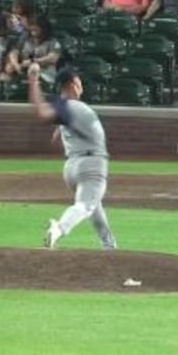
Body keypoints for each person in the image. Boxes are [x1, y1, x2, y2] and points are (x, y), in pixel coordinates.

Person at [27, 64, 118, 250]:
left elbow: (56, 136)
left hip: (72, 166)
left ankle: (108, 244)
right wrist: (34, 79)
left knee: (93, 204)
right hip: (91, 164)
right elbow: (41, 114)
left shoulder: (66, 108)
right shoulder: (71, 105)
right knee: (86, 205)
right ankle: (59, 228)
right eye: (78, 81)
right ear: (72, 84)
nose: (81, 85)